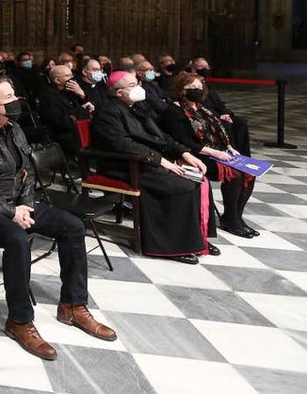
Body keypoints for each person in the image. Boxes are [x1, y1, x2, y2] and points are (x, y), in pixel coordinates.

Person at [0, 77, 117, 361]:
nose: (16, 100)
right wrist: (10, 212)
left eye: (14, 93)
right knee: (17, 240)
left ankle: (73, 306)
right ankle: (19, 321)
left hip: (17, 205)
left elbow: (27, 172)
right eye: (8, 97)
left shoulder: (14, 129)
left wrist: (25, 205)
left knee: (73, 226)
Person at [90, 72, 211, 263]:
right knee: (181, 186)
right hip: (123, 165)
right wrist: (160, 161)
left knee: (196, 179)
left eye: (137, 82)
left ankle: (195, 238)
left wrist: (183, 152)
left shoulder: (138, 106)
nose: (139, 87)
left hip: (144, 161)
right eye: (132, 84)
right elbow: (122, 145)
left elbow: (159, 136)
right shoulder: (107, 112)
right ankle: (168, 245)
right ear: (119, 93)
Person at [160, 72, 258, 240]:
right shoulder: (174, 110)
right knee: (234, 174)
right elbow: (183, 141)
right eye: (191, 87)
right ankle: (231, 220)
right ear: (180, 89)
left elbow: (217, 131)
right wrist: (213, 152)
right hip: (193, 155)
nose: (196, 90)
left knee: (250, 172)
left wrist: (229, 147)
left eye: (199, 87)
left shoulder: (203, 108)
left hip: (214, 151)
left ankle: (235, 215)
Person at [188, 57, 251, 154]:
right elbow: (199, 106)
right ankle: (231, 153)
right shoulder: (192, 85)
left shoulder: (209, 85)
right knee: (225, 124)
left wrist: (227, 114)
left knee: (241, 122)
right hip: (208, 116)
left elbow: (219, 104)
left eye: (206, 66)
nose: (205, 69)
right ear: (194, 69)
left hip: (219, 114)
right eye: (201, 67)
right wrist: (218, 116)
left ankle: (244, 155)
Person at [36, 64, 92, 157]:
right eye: (68, 76)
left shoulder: (71, 92)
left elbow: (85, 106)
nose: (72, 78)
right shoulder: (48, 97)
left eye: (72, 75)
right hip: (63, 135)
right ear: (57, 80)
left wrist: (81, 95)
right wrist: (82, 110)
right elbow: (61, 122)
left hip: (79, 128)